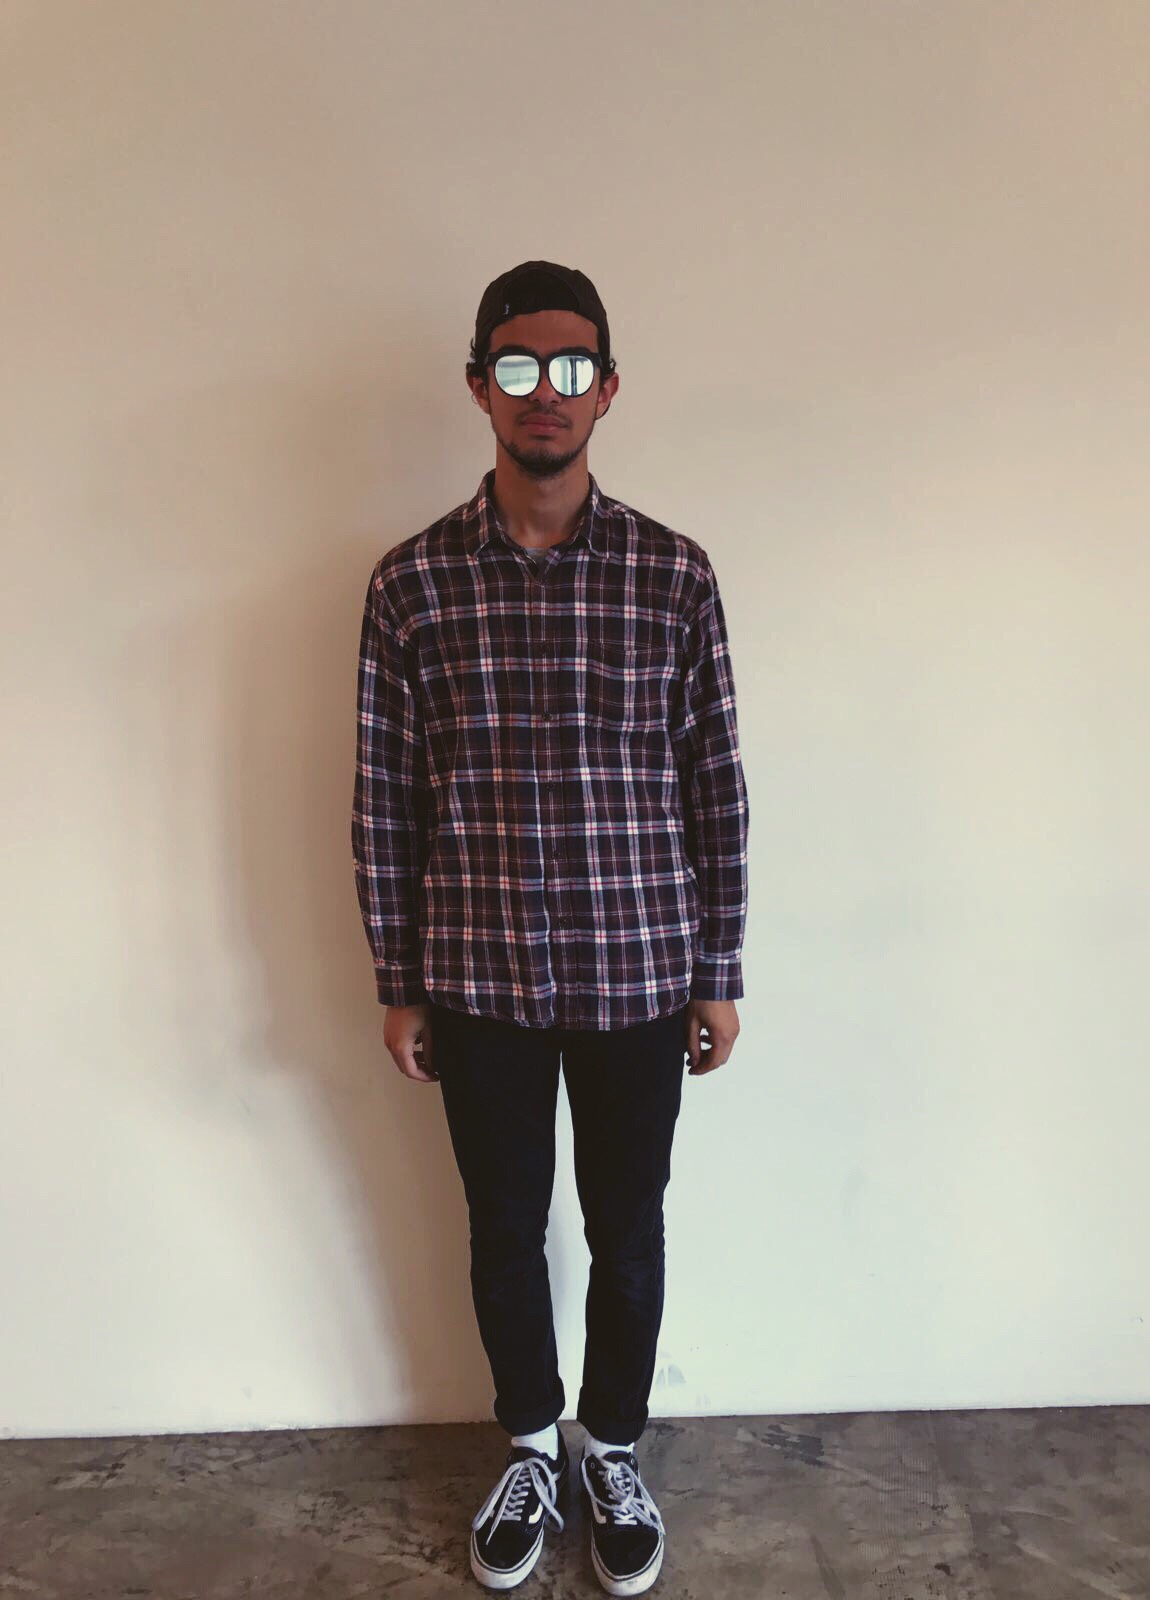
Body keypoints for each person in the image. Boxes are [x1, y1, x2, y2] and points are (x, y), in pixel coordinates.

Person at [351, 260, 749, 1594]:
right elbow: (387, 793)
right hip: (479, 975)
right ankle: (531, 1444)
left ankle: (613, 1449)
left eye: (571, 367)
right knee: (503, 1227)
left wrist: (718, 969)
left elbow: (713, 780)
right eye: (518, 366)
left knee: (627, 1229)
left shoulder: (673, 575)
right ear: (480, 384)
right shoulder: (411, 585)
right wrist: (399, 978)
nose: (546, 392)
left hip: (641, 970)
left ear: (609, 388)